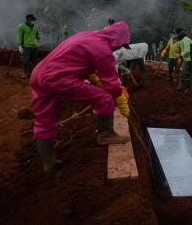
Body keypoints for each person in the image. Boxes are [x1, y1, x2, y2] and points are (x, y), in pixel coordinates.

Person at [31, 21, 131, 173]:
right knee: (104, 99)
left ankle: (49, 162)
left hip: (39, 73)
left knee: (44, 119)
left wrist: (94, 80)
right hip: (57, 77)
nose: (118, 48)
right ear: (116, 40)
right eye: (120, 45)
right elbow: (111, 82)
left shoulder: (86, 36)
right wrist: (120, 99)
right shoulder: (102, 49)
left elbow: (75, 61)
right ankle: (106, 134)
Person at [17, 14, 40, 78]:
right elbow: (19, 36)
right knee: (25, 61)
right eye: (32, 19)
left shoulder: (36, 26)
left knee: (34, 60)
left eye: (33, 20)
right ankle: (25, 73)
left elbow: (38, 36)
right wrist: (20, 46)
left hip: (34, 47)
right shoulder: (21, 26)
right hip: (26, 46)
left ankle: (32, 74)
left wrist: (36, 39)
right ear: (28, 18)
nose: (33, 21)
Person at [175, 28, 192, 93]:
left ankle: (188, 88)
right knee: (185, 73)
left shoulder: (186, 40)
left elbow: (187, 51)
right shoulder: (182, 41)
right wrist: (181, 58)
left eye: (176, 35)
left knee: (185, 74)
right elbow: (183, 51)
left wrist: (181, 56)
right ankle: (181, 87)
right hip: (187, 59)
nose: (175, 36)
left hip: (191, 60)